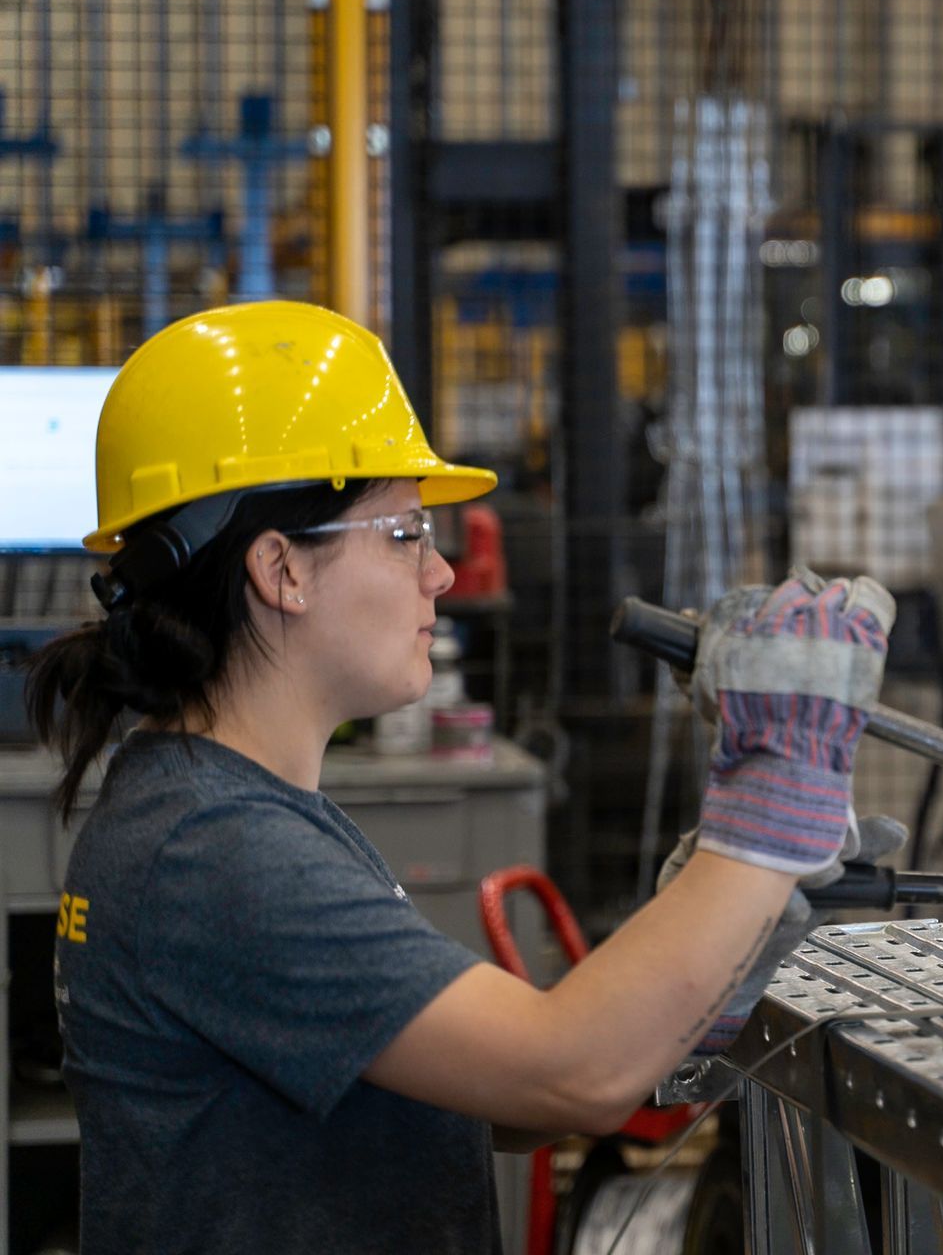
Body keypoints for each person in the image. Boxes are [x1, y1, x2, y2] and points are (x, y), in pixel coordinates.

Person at [26, 300, 893, 1253]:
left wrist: (720, 943)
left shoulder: (241, 813)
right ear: (282, 569)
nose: (440, 575)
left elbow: (503, 1101)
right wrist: (764, 817)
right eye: (406, 532)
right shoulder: (216, 850)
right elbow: (564, 1074)